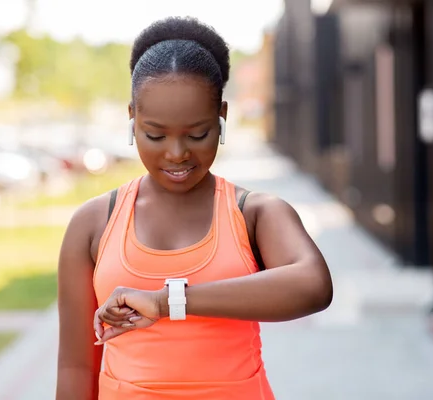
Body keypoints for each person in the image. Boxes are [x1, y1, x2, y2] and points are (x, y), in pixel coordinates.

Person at [56, 16, 333, 400]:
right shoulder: (93, 223)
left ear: (222, 116)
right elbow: (76, 365)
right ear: (132, 116)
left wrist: (167, 301)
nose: (176, 153)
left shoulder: (254, 213)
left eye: (197, 133)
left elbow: (314, 286)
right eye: (155, 134)